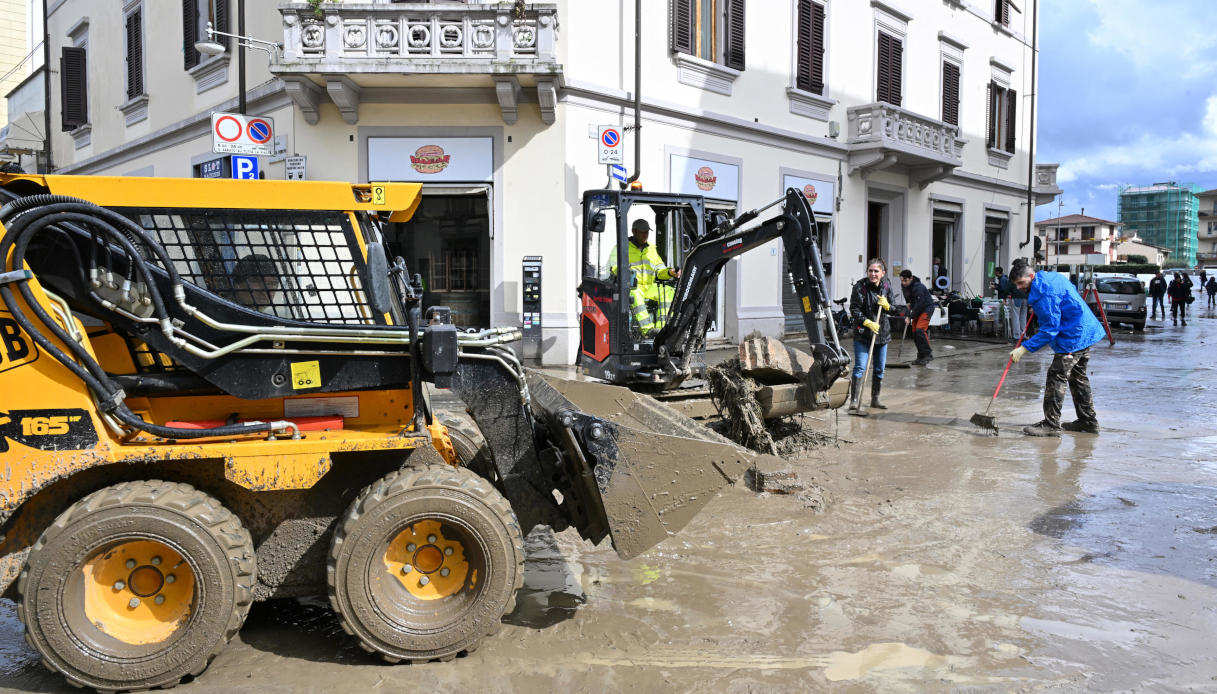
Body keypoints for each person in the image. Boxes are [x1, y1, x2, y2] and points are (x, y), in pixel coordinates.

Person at [1009, 260, 1106, 437]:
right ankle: (1088, 422)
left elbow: (1049, 330)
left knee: (1056, 376)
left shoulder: (1044, 293)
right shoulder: (1048, 278)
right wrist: (1040, 311)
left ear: (1031, 276)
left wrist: (1024, 348)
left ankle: (1051, 425)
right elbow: (1059, 304)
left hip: (1073, 336)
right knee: (1078, 378)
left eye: (1021, 283)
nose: (1020, 288)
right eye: (1016, 285)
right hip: (1084, 330)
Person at [610, 218, 680, 337]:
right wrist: (626, 273)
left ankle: (662, 330)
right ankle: (648, 330)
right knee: (635, 293)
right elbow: (614, 266)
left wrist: (670, 272)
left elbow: (659, 270)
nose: (645, 235)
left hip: (648, 287)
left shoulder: (651, 249)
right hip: (632, 287)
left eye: (647, 232)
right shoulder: (622, 247)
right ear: (634, 231)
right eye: (642, 232)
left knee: (668, 291)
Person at [849, 259, 896, 410]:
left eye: (876, 271)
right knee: (860, 367)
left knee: (879, 368)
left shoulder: (886, 286)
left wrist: (888, 306)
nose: (873, 274)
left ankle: (875, 399)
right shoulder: (860, 287)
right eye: (870, 271)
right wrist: (867, 322)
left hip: (881, 335)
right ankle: (854, 401)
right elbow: (854, 310)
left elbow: (894, 308)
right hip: (863, 334)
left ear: (883, 273)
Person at [228, 254, 290, 318]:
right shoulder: (222, 317)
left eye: (272, 283)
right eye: (257, 281)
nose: (265, 291)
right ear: (237, 284)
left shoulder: (275, 318)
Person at [900, 269, 934, 365]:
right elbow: (908, 303)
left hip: (926, 308)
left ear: (911, 278)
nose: (903, 283)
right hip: (917, 309)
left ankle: (928, 354)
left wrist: (910, 316)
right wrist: (907, 315)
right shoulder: (904, 286)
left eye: (905, 280)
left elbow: (920, 304)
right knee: (914, 332)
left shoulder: (918, 287)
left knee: (920, 330)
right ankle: (921, 356)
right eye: (902, 280)